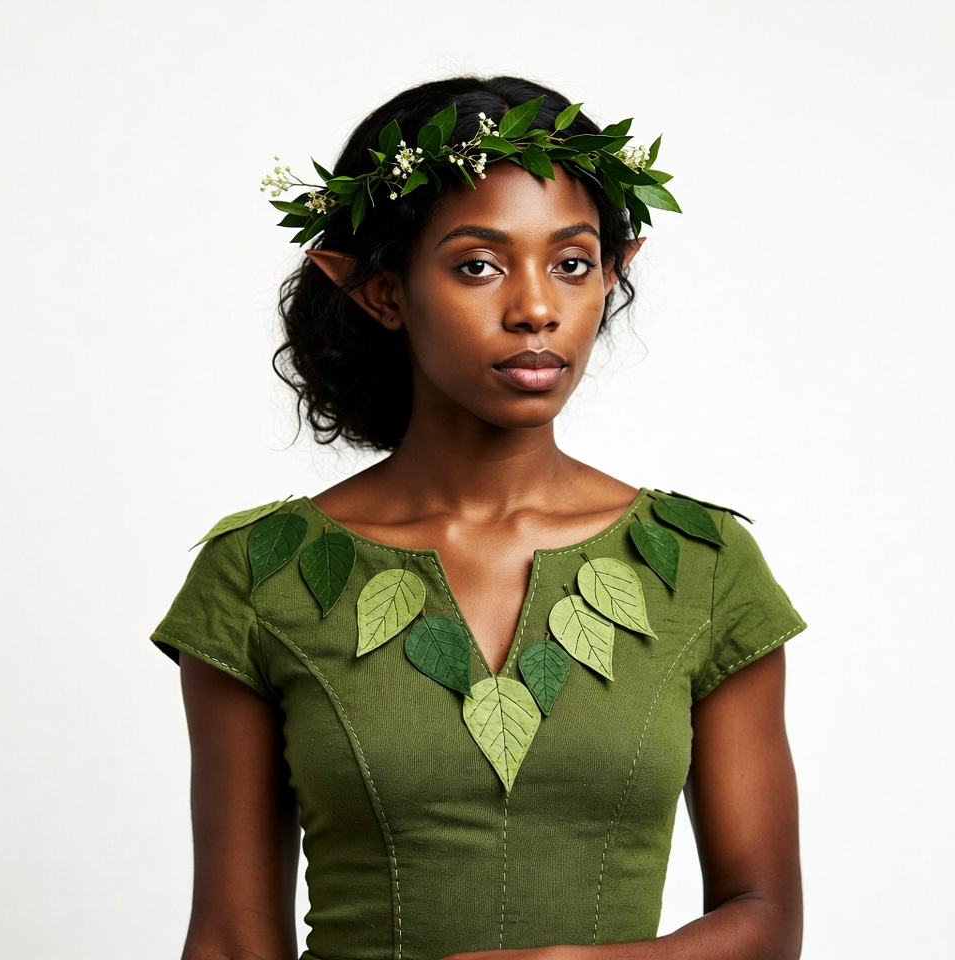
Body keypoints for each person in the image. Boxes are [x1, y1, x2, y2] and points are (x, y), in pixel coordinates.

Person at [152, 76, 806, 960]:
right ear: (382, 292)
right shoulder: (257, 572)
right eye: (478, 266)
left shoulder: (704, 564)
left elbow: (765, 921)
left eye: (571, 263)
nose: (536, 307)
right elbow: (233, 938)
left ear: (613, 274)